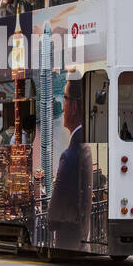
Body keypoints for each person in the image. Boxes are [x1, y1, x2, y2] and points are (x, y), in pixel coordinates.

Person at [46, 78, 92, 250]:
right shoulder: (85, 147)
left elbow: (54, 211)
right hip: (81, 234)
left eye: (64, 99)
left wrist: (50, 222)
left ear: (73, 106)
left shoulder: (70, 155)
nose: (62, 107)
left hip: (67, 239)